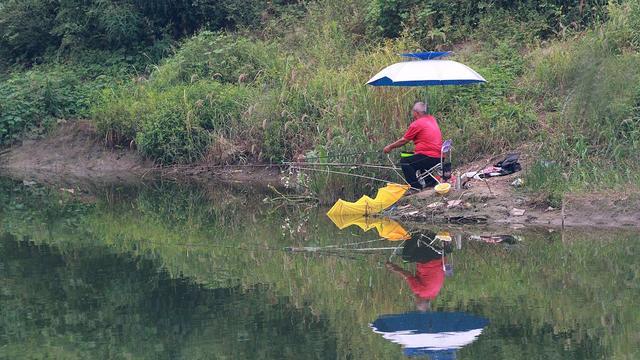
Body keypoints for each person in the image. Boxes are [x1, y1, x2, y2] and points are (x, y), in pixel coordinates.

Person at [383, 102, 443, 190]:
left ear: (416, 113)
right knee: (417, 158)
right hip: (439, 156)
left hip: (430, 157)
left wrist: (389, 147)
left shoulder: (417, 124)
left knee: (405, 162)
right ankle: (430, 183)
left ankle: (415, 187)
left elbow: (404, 140)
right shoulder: (432, 119)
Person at [385, 233, 451, 312]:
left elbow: (446, 272)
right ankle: (414, 235)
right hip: (428, 258)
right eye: (416, 302)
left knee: (423, 246)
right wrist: (393, 268)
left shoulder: (434, 293)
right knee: (406, 258)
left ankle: (427, 233)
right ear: (419, 301)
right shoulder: (419, 291)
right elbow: (408, 275)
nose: (414, 299)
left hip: (440, 255)